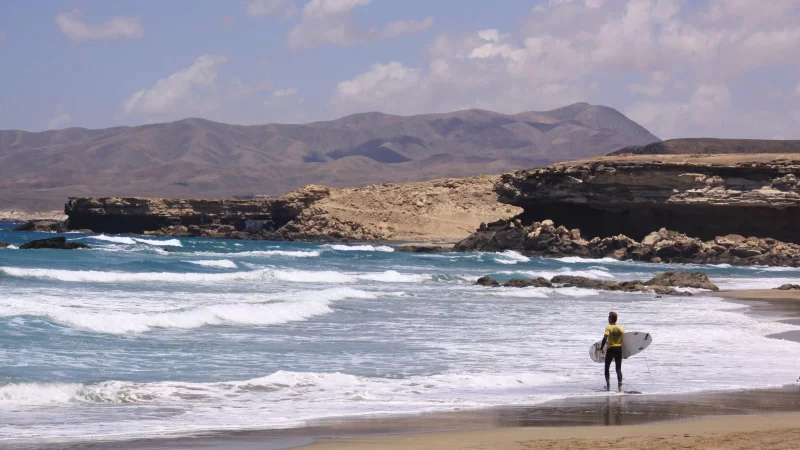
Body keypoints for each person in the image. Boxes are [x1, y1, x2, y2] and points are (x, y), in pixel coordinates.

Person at [600, 311, 624, 392]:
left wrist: (601, 348)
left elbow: (605, 337)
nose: (608, 319)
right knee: (618, 369)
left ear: (611, 319)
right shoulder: (621, 328)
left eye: (608, 317)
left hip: (611, 349)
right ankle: (620, 386)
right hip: (619, 349)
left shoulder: (608, 327)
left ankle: (608, 385)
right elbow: (626, 339)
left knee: (607, 368)